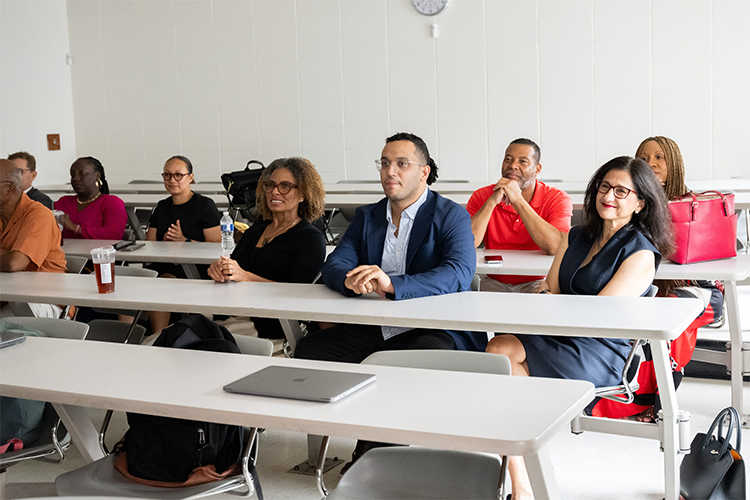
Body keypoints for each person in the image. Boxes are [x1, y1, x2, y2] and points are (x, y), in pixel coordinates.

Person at [294, 132, 483, 473]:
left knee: (397, 366)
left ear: (423, 172)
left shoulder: (450, 214)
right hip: (377, 326)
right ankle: (353, 432)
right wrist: (351, 280)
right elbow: (334, 264)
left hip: (433, 328)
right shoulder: (367, 216)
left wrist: (393, 284)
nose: (389, 171)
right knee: (311, 351)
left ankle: (375, 458)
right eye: (384, 163)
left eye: (401, 164)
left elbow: (458, 272)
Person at [485, 156, 673, 500]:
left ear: (640, 202)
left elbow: (598, 316)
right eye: (604, 186)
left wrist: (548, 300)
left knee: (506, 374)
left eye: (621, 191)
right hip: (559, 333)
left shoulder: (641, 252)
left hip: (599, 349)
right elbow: (550, 287)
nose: (609, 196)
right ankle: (523, 479)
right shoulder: (575, 236)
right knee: (498, 352)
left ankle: (522, 483)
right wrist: (547, 298)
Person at [592, 136, 727, 423]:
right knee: (637, 319)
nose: (650, 164)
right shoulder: (632, 202)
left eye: (658, 158)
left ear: (674, 164)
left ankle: (663, 401)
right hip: (654, 286)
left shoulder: (693, 205)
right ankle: (626, 396)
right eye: (643, 157)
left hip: (695, 288)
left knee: (668, 317)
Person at [207, 157, 326, 339]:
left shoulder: (311, 239)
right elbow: (234, 270)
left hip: (272, 323)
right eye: (270, 185)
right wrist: (220, 269)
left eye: (285, 186)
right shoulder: (255, 231)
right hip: (236, 312)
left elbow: (298, 293)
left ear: (302, 194)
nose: (275, 192)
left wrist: (245, 277)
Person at [466, 138, 572, 293]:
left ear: (537, 169)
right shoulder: (481, 195)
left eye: (523, 161)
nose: (512, 166)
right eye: (508, 159)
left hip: (538, 280)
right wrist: (491, 202)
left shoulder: (557, 198)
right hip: (495, 280)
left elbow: (555, 247)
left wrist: (517, 200)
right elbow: (467, 242)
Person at [144, 156, 222, 333]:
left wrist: (185, 241)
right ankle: (128, 337)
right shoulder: (162, 206)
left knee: (161, 285)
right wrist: (163, 243)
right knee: (131, 284)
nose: (172, 180)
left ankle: (157, 337)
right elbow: (150, 243)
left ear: (191, 177)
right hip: (164, 263)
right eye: (167, 175)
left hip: (197, 268)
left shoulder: (204, 205)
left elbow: (216, 245)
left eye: (178, 175)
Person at [0, 159, 67, 318]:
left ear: (9, 189)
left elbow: (14, 263)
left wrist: (9, 256)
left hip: (43, 300)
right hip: (8, 294)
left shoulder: (38, 215)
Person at [54, 157, 127, 240]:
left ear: (97, 176)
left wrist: (76, 228)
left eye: (82, 173)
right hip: (65, 252)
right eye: (72, 175)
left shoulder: (112, 202)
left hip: (98, 252)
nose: (75, 178)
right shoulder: (63, 202)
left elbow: (114, 235)